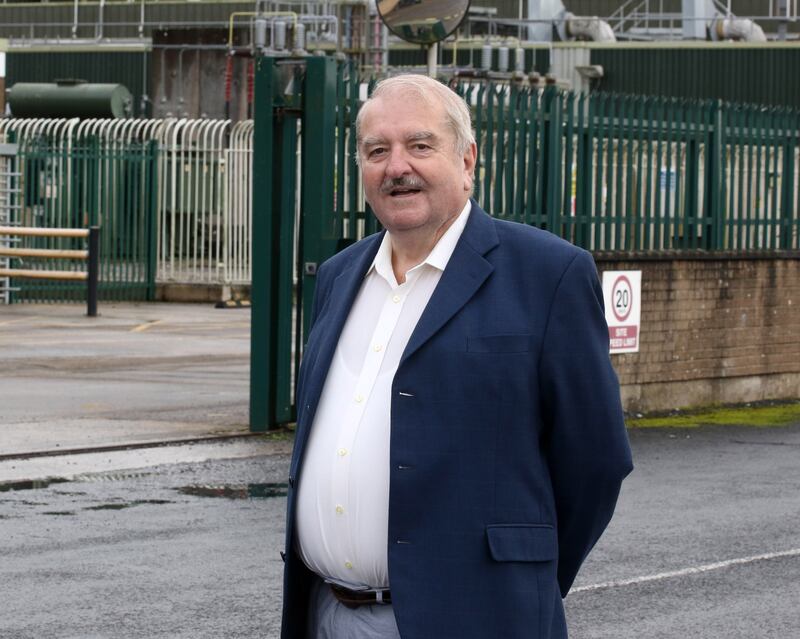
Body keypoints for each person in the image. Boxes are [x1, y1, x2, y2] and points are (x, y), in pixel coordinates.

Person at [280, 73, 633, 639]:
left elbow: (594, 462)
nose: (397, 167)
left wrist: (521, 577)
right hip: (326, 616)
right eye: (378, 151)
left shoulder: (548, 275)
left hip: (477, 618)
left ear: (467, 160)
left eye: (420, 145)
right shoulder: (340, 276)